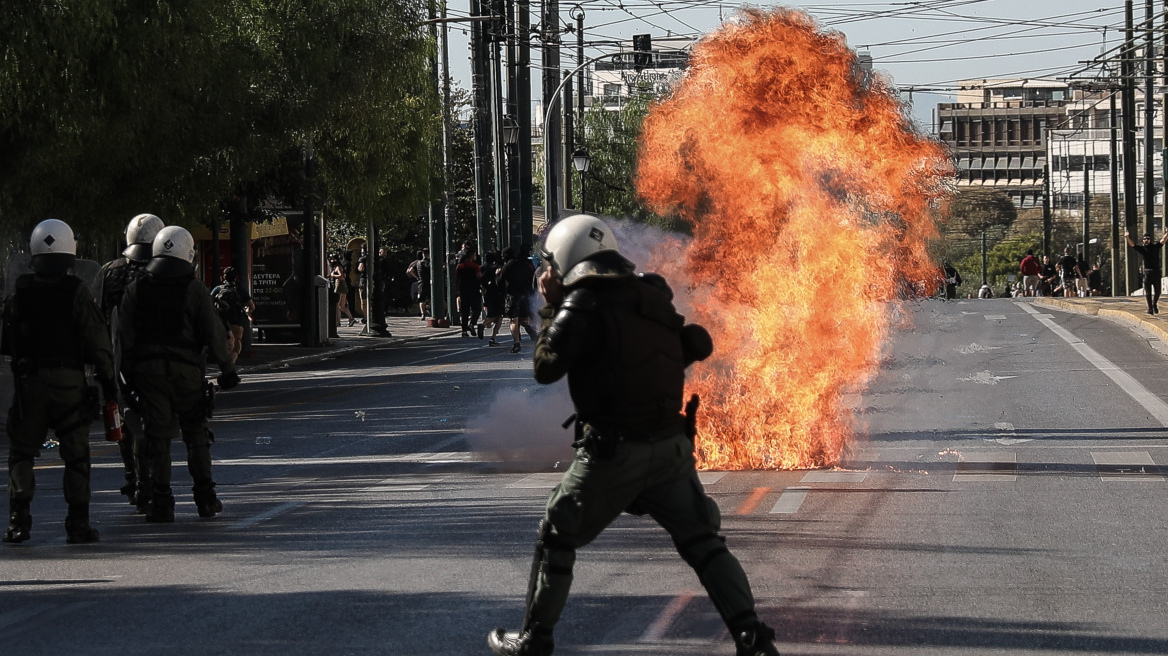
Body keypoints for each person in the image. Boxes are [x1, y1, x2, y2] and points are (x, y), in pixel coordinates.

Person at [486, 215, 780, 656]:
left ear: (566, 259)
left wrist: (550, 306)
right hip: (670, 449)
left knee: (557, 532)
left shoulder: (581, 302)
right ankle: (752, 637)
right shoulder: (651, 294)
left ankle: (535, 638)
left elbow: (546, 368)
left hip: (612, 453)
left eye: (551, 264)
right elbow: (690, 344)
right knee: (704, 543)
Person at [3, 219, 116, 544]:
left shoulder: (20, 292)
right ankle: (77, 523)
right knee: (76, 453)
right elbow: (98, 343)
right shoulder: (77, 292)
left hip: (30, 383)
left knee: (22, 452)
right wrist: (109, 384)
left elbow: (6, 338)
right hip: (68, 382)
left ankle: (18, 521)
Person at [120, 226, 240, 522]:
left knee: (158, 439)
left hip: (149, 375)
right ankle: (205, 499)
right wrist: (227, 370)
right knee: (196, 434)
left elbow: (123, 334)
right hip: (186, 373)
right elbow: (213, 332)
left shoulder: (137, 287)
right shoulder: (194, 288)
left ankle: (162, 503)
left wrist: (126, 377)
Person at [99, 213, 164, 508]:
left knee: (123, 418)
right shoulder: (162, 271)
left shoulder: (109, 272)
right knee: (146, 421)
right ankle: (145, 479)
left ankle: (132, 474)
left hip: (114, 358)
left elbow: (95, 317)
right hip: (149, 357)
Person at [498, 245, 539, 353]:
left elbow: (500, 281)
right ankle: (530, 329)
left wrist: (497, 275)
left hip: (513, 295)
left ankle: (516, 342)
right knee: (524, 318)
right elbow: (532, 279)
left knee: (513, 320)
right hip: (525, 295)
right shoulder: (524, 265)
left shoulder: (507, 266)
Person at [211, 267, 249, 364]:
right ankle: (229, 367)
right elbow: (251, 306)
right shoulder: (241, 290)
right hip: (236, 322)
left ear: (224, 277)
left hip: (220, 321)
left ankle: (223, 363)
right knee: (235, 348)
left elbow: (208, 302)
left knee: (223, 345)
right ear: (236, 277)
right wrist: (246, 311)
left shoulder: (218, 289)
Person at [1125, 230, 1168, 314]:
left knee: (1158, 291)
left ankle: (1154, 303)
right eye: (1144, 239)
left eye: (1147, 239)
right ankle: (1150, 309)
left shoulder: (1155, 247)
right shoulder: (1142, 249)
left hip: (1156, 272)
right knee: (1148, 292)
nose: (1146, 240)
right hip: (1147, 273)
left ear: (1150, 239)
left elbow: (1163, 240)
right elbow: (1132, 245)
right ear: (1143, 240)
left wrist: (1167, 233)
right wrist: (1127, 237)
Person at [480, 251, 506, 346]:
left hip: (488, 293)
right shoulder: (498, 268)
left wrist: (486, 287)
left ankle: (491, 336)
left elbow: (481, 279)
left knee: (492, 314)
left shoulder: (483, 268)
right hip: (498, 294)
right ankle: (491, 335)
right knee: (498, 316)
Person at [456, 250, 484, 338]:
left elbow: (457, 277)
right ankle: (472, 323)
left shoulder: (460, 266)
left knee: (465, 311)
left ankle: (464, 331)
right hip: (474, 289)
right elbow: (479, 276)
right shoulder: (475, 266)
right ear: (472, 256)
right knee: (477, 309)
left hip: (463, 290)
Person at [330, 257, 356, 326]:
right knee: (342, 306)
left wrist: (333, 275)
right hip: (342, 285)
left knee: (338, 304)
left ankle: (338, 322)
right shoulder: (340, 267)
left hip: (339, 285)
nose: (332, 260)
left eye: (333, 259)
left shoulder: (338, 267)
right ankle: (351, 318)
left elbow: (341, 276)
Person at [406, 249, 431, 320]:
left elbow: (409, 271)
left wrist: (416, 277)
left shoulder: (418, 263)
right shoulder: (431, 262)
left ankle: (423, 314)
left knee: (421, 299)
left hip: (421, 282)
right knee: (430, 297)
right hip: (430, 282)